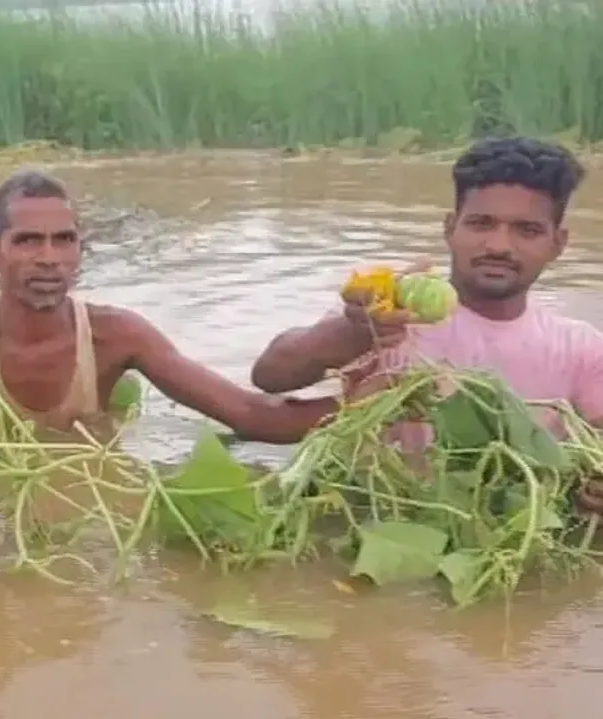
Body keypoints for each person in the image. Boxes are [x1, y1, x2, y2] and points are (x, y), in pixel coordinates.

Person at [0, 168, 337, 444]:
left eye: (64, 240)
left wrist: (368, 399)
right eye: (28, 241)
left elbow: (252, 416)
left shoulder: (119, 336)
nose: (49, 258)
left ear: (80, 252)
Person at [248, 136, 603, 514]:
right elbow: (270, 376)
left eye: (527, 230)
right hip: (383, 517)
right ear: (450, 228)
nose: (499, 245)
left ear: (558, 243)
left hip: (512, 526)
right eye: (481, 224)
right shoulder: (391, 312)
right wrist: (352, 332)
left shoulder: (579, 348)